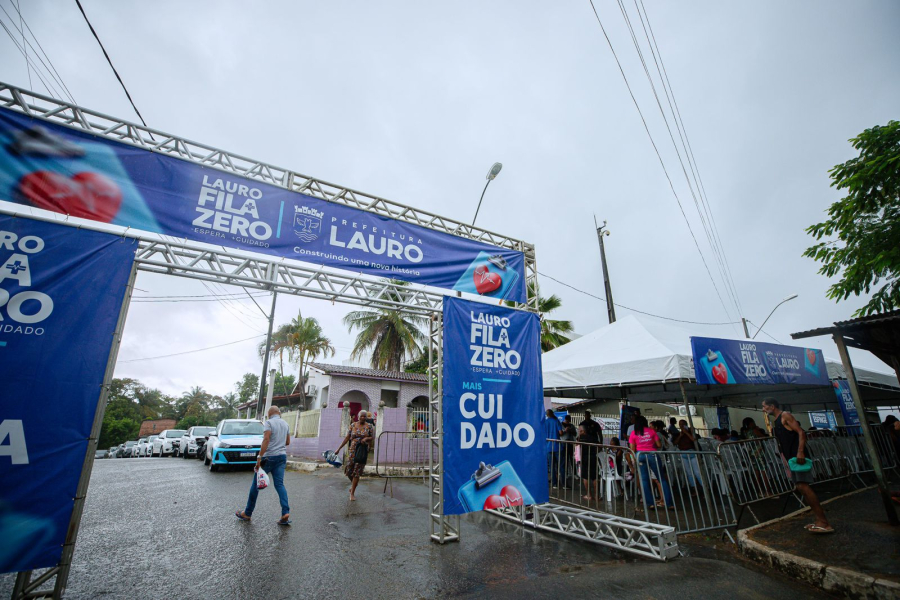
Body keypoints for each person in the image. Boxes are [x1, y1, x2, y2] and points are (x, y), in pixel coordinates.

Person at [762, 398, 833, 534]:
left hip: (798, 457)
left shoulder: (785, 416)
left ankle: (824, 522)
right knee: (801, 487)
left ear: (772, 406)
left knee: (804, 487)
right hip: (791, 459)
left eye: (765, 407)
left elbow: (801, 432)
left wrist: (800, 452)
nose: (763, 409)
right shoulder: (776, 420)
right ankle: (819, 520)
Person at [235, 406, 291, 525]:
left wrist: (259, 457)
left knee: (255, 485)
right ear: (279, 413)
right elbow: (287, 442)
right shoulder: (286, 424)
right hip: (282, 457)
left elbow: (266, 439)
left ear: (269, 414)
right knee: (279, 484)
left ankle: (247, 513)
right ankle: (285, 512)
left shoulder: (269, 423)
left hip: (269, 457)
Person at [629, 415, 674, 509]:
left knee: (644, 480)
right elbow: (658, 444)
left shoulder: (634, 433)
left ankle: (650, 503)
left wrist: (634, 460)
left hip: (640, 455)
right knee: (661, 478)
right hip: (652, 454)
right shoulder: (652, 431)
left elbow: (632, 449)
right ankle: (668, 503)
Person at [335, 410, 375, 501]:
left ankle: (352, 493)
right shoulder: (353, 425)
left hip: (362, 450)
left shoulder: (369, 426)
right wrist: (338, 449)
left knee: (357, 471)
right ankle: (354, 484)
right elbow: (347, 438)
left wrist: (366, 439)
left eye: (365, 416)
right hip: (353, 450)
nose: (363, 418)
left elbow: (371, 437)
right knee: (349, 470)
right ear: (358, 416)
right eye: (361, 416)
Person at [674, 419, 703, 495]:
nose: (681, 426)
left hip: (692, 453)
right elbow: (675, 443)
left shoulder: (691, 432)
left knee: (697, 472)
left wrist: (686, 432)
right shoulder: (679, 434)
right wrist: (680, 435)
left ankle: (703, 488)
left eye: (683, 424)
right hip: (683, 454)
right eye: (680, 425)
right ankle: (694, 488)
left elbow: (694, 439)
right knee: (689, 473)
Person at [577, 422, 601, 501]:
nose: (578, 431)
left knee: (585, 477)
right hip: (593, 457)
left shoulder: (580, 438)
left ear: (582, 431)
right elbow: (599, 447)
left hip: (585, 458)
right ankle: (596, 496)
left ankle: (589, 495)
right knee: (594, 477)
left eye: (579, 430)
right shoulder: (593, 438)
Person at [544, 409, 562, 487]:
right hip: (557, 446)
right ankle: (564, 484)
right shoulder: (556, 421)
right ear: (552, 413)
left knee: (551, 466)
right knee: (561, 465)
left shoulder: (545, 422)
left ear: (547, 415)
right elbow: (560, 432)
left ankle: (554, 484)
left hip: (548, 447)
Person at [559, 415, 578, 488]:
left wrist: (571, 430)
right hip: (563, 443)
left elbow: (575, 434)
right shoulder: (561, 425)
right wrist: (565, 430)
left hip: (570, 443)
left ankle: (574, 473)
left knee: (572, 458)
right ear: (565, 419)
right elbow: (560, 433)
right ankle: (565, 474)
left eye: (569, 420)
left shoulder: (572, 425)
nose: (568, 422)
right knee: (565, 459)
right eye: (567, 420)